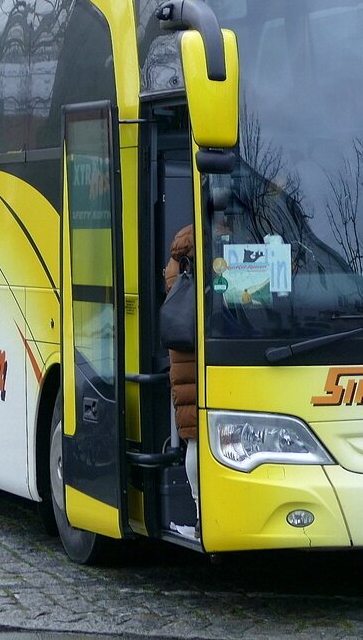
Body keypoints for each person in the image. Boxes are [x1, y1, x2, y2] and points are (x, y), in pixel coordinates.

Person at [162, 224, 199, 536]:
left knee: (193, 437)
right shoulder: (209, 250)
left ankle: (199, 509)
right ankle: (202, 513)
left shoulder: (176, 264)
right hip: (196, 361)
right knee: (201, 439)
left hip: (181, 361)